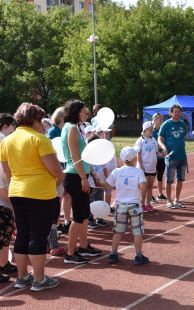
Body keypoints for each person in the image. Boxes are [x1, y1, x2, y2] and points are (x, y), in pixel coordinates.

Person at [0, 103, 64, 291]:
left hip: (17, 191)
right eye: (40, 120)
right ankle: (39, 279)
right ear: (34, 119)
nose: (43, 125)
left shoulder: (7, 141)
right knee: (38, 236)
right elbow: (55, 170)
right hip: (40, 193)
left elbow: (8, 172)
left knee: (22, 234)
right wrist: (61, 177)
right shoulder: (40, 139)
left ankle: (22, 277)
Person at [61, 100, 101, 265]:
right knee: (78, 217)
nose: (87, 111)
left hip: (79, 175)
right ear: (76, 111)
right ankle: (70, 253)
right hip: (75, 176)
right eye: (84, 109)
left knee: (84, 215)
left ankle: (83, 246)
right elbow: (74, 156)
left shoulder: (75, 128)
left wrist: (89, 174)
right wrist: (84, 178)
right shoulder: (70, 128)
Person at [99, 146, 148, 265]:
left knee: (118, 231)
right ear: (134, 159)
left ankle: (113, 254)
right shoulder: (138, 171)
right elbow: (143, 187)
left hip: (120, 205)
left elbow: (107, 186)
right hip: (134, 205)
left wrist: (98, 181)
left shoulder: (117, 171)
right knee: (137, 231)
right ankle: (138, 256)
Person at [158, 104, 188, 209]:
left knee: (180, 179)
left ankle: (177, 200)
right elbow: (160, 138)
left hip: (182, 156)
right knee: (169, 180)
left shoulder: (182, 124)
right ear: (171, 113)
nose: (177, 113)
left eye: (179, 112)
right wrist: (163, 147)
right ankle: (169, 201)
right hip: (171, 157)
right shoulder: (166, 124)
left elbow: (183, 137)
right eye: (175, 112)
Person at [0, 113, 17, 283]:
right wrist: (13, 203)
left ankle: (4, 263)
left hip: (5, 202)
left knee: (5, 236)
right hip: (3, 202)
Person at [135, 121, 158, 212]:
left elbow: (156, 152)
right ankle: (141, 204)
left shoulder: (153, 140)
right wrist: (140, 165)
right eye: (149, 129)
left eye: (152, 129)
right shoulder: (140, 140)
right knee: (143, 187)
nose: (151, 131)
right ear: (144, 130)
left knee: (150, 186)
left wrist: (162, 153)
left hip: (152, 167)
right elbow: (138, 154)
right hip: (143, 167)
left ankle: (148, 203)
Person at [151, 113, 167, 201]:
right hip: (153, 158)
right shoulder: (151, 131)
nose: (161, 121)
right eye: (160, 119)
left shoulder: (161, 130)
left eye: (162, 119)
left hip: (161, 157)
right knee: (152, 176)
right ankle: (150, 195)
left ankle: (160, 194)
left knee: (160, 176)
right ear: (155, 120)